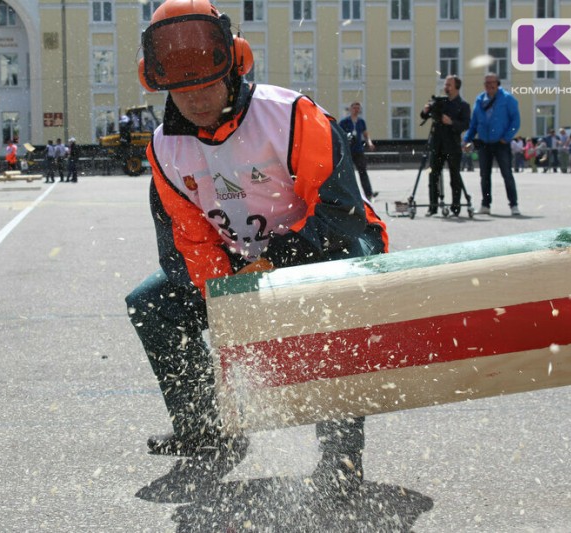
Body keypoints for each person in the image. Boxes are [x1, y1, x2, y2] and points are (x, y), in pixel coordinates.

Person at [125, 0, 388, 495]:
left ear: (235, 65)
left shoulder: (291, 116)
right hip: (240, 264)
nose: (198, 99)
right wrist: (224, 296)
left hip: (325, 250)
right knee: (152, 303)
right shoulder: (164, 148)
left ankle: (341, 456)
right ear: (161, 86)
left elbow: (338, 213)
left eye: (206, 85)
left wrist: (276, 264)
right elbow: (186, 243)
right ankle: (208, 431)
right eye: (184, 90)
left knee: (336, 311)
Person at [463, 73, 521, 216]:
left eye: (492, 83)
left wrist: (506, 138)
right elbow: (474, 123)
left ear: (498, 83)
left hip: (501, 143)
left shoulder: (507, 99)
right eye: (486, 83)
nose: (489, 85)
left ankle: (514, 205)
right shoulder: (480, 99)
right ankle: (485, 205)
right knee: (484, 175)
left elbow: (516, 121)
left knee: (507, 174)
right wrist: (467, 139)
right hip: (484, 143)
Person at [419, 75, 471, 217]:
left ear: (456, 87)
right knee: (433, 175)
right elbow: (424, 116)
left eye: (449, 85)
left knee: (455, 177)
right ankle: (433, 206)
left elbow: (466, 124)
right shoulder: (440, 102)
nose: (446, 87)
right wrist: (426, 110)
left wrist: (451, 122)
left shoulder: (463, 105)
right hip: (437, 144)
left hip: (453, 145)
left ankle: (456, 207)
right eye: (445, 84)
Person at [338, 102, 378, 201]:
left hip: (358, 150)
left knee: (363, 171)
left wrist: (369, 143)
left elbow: (365, 134)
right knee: (348, 173)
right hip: (348, 152)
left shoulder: (361, 122)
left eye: (358, 108)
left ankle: (368, 193)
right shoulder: (344, 122)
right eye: (354, 108)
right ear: (350, 109)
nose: (356, 110)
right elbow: (338, 134)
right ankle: (349, 194)